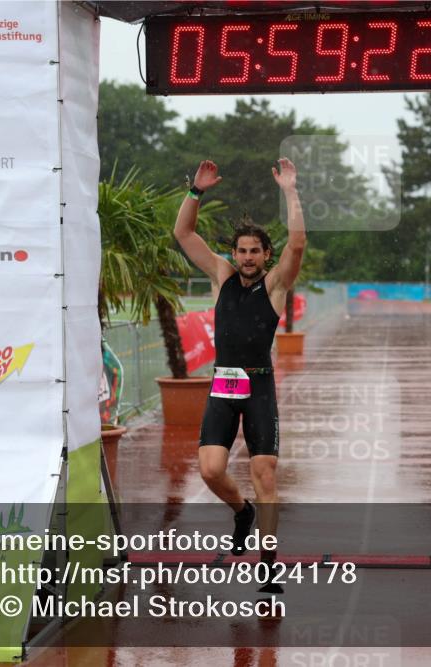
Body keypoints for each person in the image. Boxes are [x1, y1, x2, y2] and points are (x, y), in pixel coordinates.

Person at [173, 158, 306, 594]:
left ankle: (268, 564)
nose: (247, 257)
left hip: (259, 383)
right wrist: (196, 192)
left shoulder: (275, 286)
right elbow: (184, 235)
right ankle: (242, 511)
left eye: (255, 251)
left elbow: (298, 245)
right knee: (211, 471)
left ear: (266, 255)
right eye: (242, 250)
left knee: (264, 473)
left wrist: (289, 190)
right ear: (235, 254)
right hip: (224, 382)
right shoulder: (223, 276)